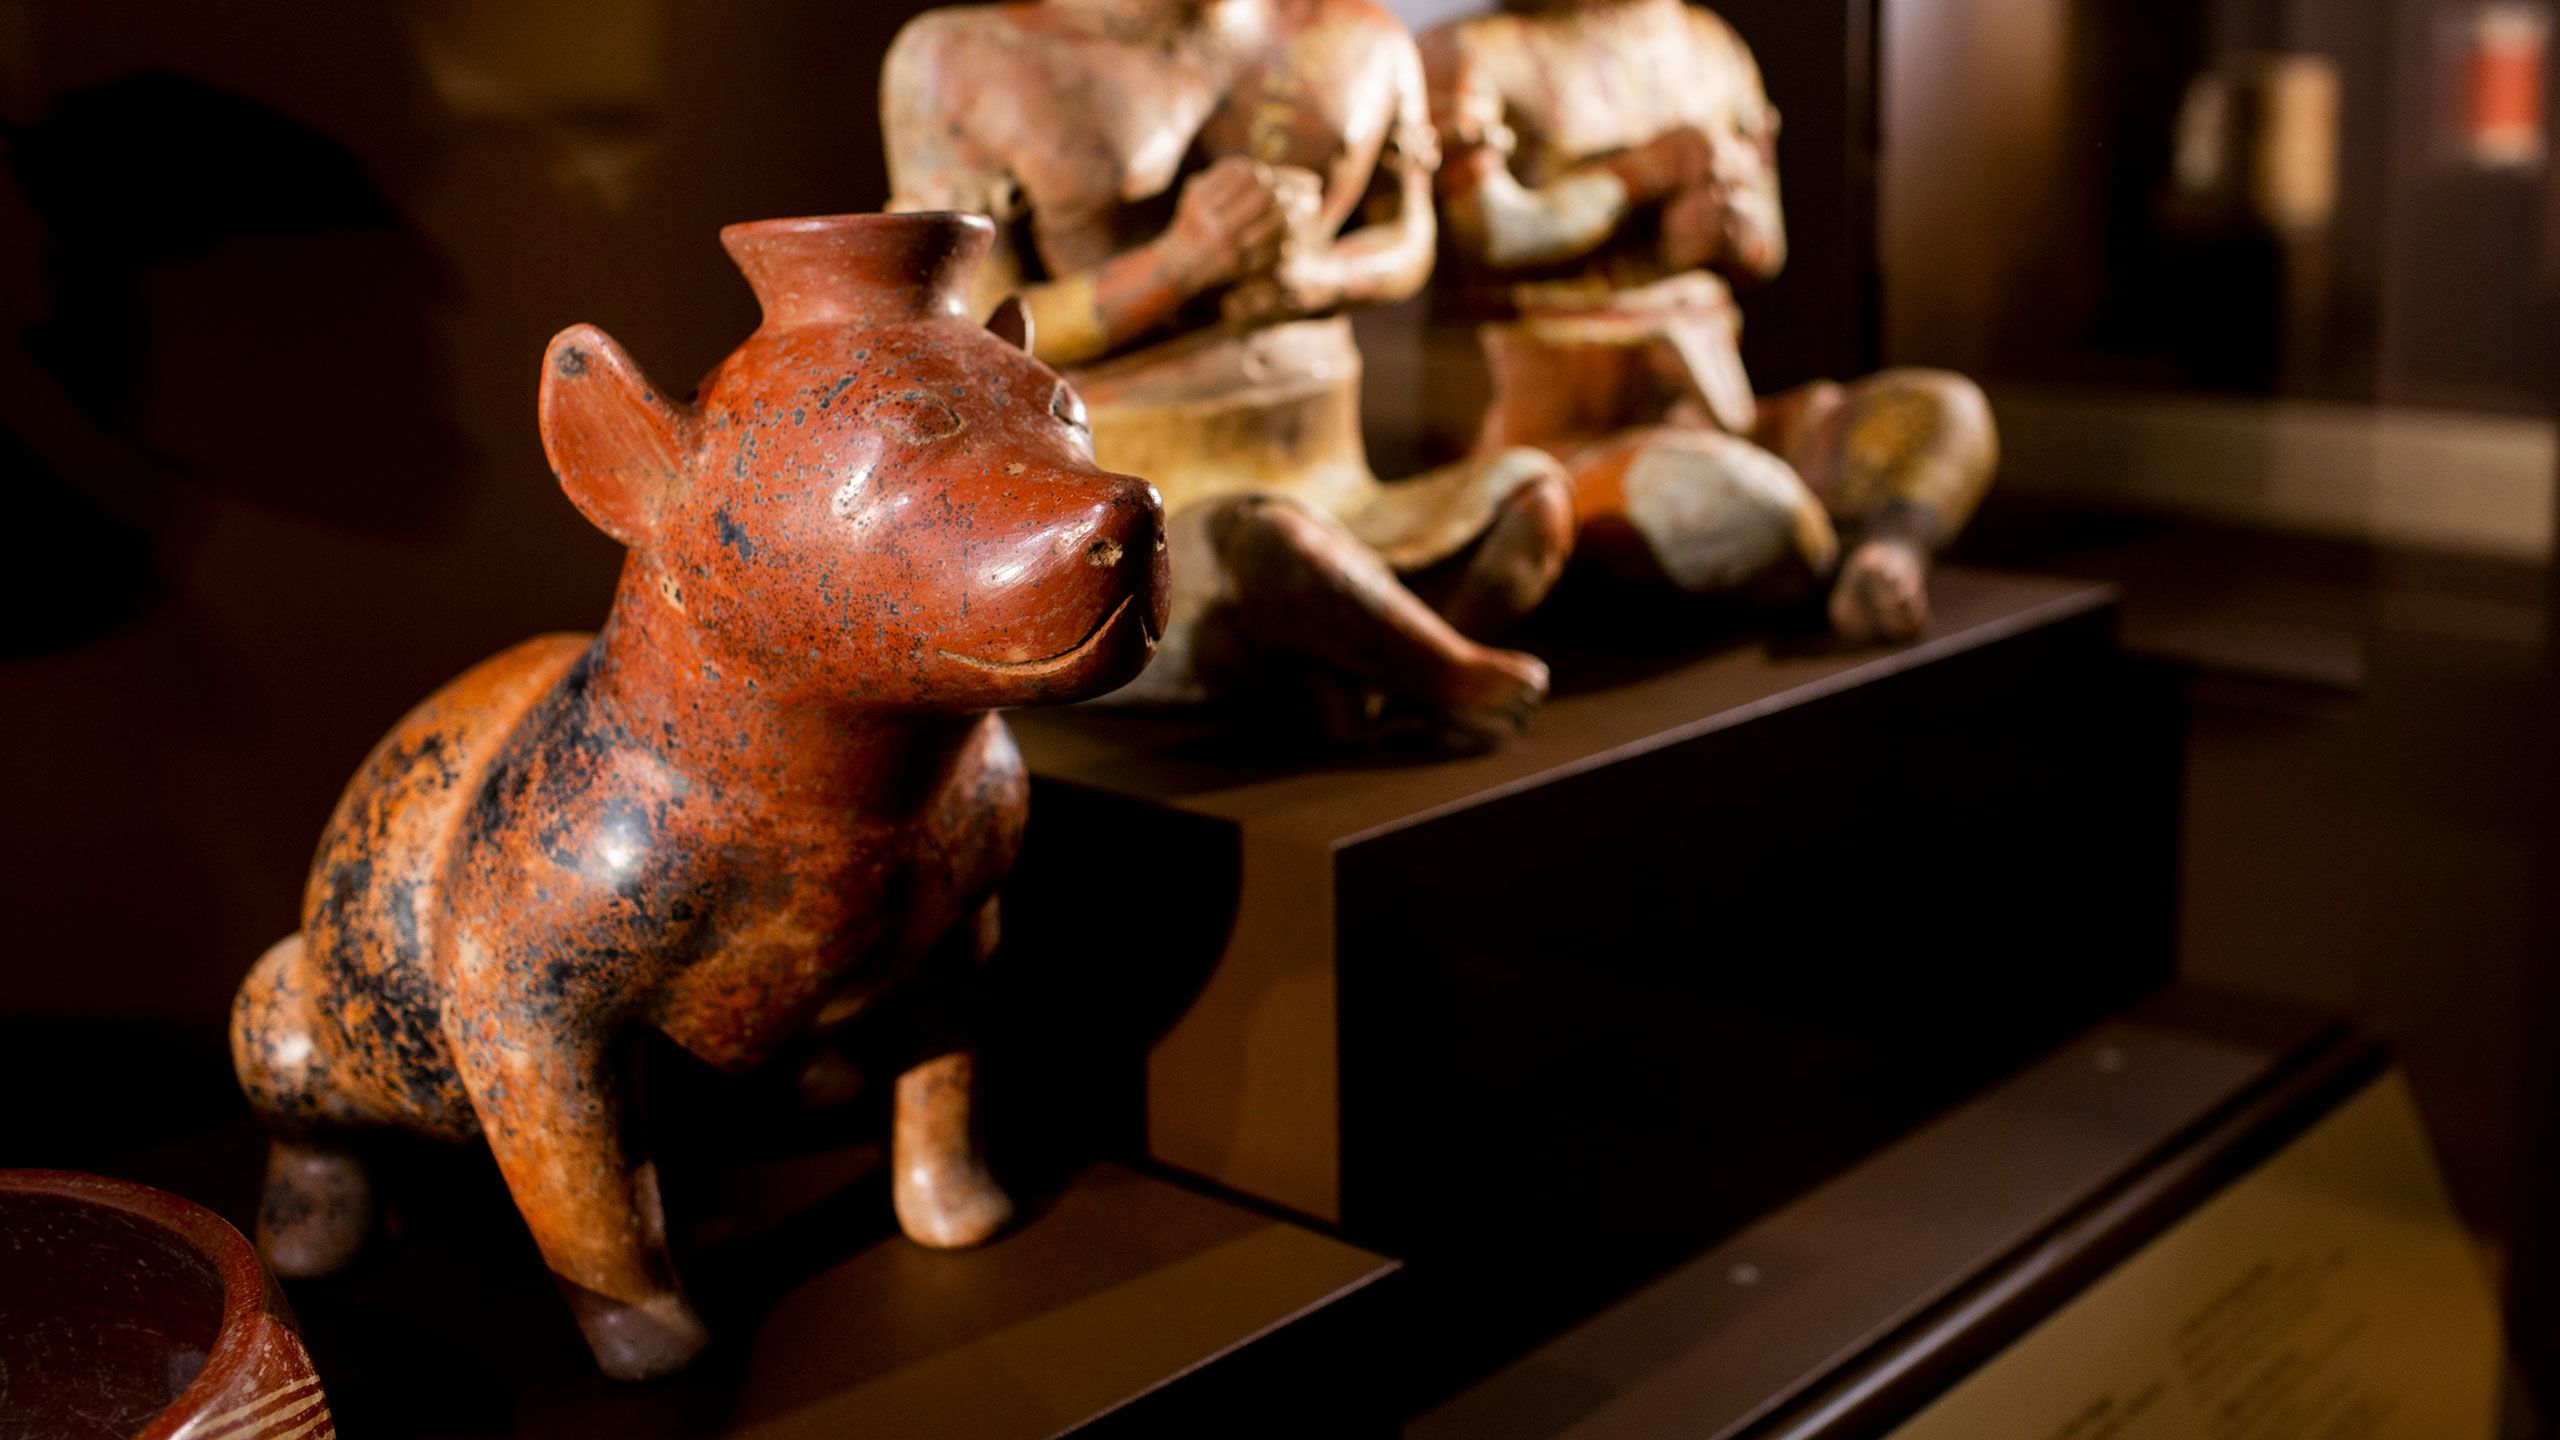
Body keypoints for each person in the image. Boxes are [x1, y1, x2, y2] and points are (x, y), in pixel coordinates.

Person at [883, 0, 1577, 745]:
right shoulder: (962, 59)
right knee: (1259, 542)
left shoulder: (1354, 34)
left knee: (1531, 498)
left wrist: (1308, 279)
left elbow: (1407, 238)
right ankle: (1437, 671)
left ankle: (1345, 656)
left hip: (1332, 480)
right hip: (1140, 512)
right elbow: (973, 327)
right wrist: (1177, 268)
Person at [1422, 0, 1998, 641]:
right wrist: (1644, 173)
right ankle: (1813, 548)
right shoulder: (1475, 52)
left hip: (1721, 412)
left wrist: (1729, 221)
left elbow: (1765, 245)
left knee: (1946, 412)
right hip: (1568, 442)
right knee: (1726, 499)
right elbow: (1489, 230)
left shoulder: (1709, 46)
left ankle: (1884, 552)